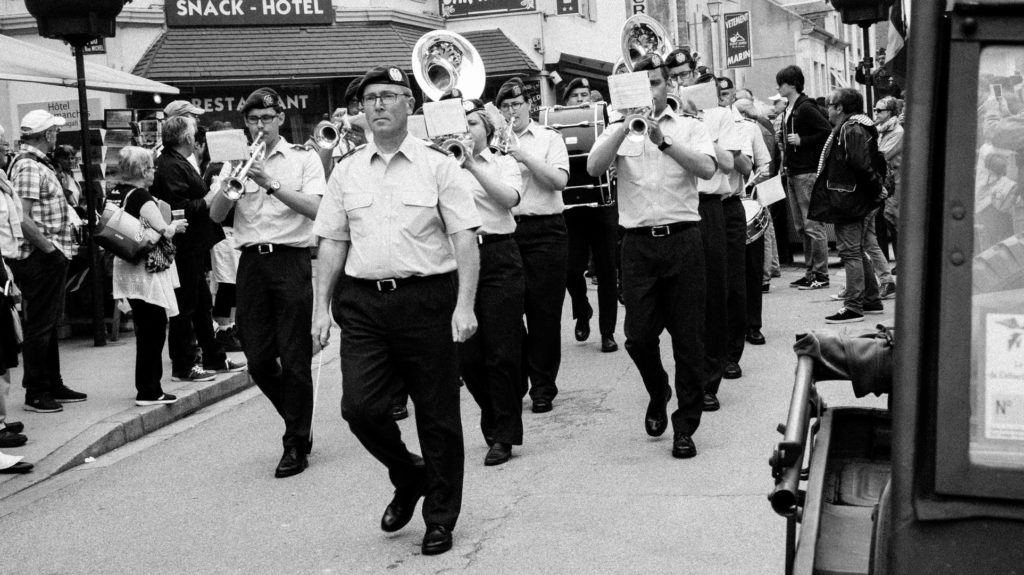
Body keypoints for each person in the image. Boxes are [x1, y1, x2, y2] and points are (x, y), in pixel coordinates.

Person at [312, 66, 481, 556]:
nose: (379, 105)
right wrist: (320, 309)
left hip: (427, 299)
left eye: (389, 96)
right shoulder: (346, 171)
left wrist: (464, 306)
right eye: (370, 99)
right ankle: (410, 475)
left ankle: (440, 517)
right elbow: (332, 243)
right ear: (360, 111)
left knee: (437, 414)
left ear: (410, 104)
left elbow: (465, 239)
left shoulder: (438, 166)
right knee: (359, 408)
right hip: (363, 303)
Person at [588, 53, 716, 459]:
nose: (652, 92)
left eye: (657, 84)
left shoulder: (692, 127)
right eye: (643, 86)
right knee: (638, 337)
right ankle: (658, 387)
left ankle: (685, 425)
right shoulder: (619, 129)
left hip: (684, 240)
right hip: (638, 244)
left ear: (668, 86)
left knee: (688, 340)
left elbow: (708, 170)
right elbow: (593, 168)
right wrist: (623, 127)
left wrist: (664, 140)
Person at [208, 88, 325, 478]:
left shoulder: (303, 159)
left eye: (267, 119)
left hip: (291, 259)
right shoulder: (234, 161)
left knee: (294, 359)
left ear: (280, 120)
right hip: (250, 265)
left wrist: (270, 182)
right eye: (254, 120)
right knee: (258, 361)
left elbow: (317, 210)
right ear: (247, 122)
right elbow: (214, 215)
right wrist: (230, 183)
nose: (261, 126)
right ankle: (299, 422)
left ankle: (294, 443)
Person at [456, 98, 525, 466]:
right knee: (468, 357)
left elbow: (508, 199)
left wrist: (470, 164)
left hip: (498, 254)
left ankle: (504, 433)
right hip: (457, 258)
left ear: (487, 129)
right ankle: (496, 414)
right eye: (460, 124)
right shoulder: (441, 166)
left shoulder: (504, 163)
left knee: (501, 351)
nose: (466, 130)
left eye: (472, 124)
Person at [496, 77, 570, 413]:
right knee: (508, 315)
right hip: (507, 232)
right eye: (506, 107)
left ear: (529, 106)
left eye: (517, 105)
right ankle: (519, 378)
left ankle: (543, 386)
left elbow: (559, 181)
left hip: (545, 230)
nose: (512, 111)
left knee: (544, 313)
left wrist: (523, 156)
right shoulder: (493, 144)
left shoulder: (548, 138)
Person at [151, 116, 245, 382]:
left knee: (202, 304)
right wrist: (207, 198)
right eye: (194, 134)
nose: (197, 138)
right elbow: (177, 209)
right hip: (185, 246)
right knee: (185, 306)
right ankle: (183, 364)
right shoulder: (170, 165)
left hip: (195, 245)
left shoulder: (178, 162)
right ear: (186, 138)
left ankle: (214, 356)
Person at [7, 110, 86, 413]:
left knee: (49, 322)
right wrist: (49, 249)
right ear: (46, 134)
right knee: (41, 324)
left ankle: (52, 382)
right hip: (42, 256)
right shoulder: (28, 165)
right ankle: (37, 391)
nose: (57, 136)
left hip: (49, 253)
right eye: (54, 131)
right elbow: (22, 215)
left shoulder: (36, 163)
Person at [109, 147, 189, 406]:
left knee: (145, 328)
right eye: (151, 167)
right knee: (153, 329)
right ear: (142, 170)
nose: (154, 171)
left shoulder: (116, 192)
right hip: (145, 268)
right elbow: (163, 230)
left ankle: (147, 385)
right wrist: (176, 226)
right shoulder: (142, 196)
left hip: (124, 264)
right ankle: (149, 389)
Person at [811, 88, 886, 324]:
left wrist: (875, 191)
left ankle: (853, 305)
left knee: (850, 251)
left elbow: (860, 165)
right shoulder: (852, 127)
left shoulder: (850, 128)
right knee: (857, 248)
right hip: (854, 198)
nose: (827, 108)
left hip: (850, 200)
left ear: (840, 108)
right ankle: (871, 299)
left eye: (830, 104)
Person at [559, 77, 620, 353]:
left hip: (603, 206)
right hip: (571, 208)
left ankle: (607, 332)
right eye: (576, 95)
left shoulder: (606, 124)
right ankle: (582, 311)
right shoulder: (557, 126)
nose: (582, 99)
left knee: (607, 270)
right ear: (566, 101)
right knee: (572, 270)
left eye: (586, 94)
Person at [776, 65, 833, 290]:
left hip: (806, 171)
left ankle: (820, 273)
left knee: (812, 224)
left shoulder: (806, 107)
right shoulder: (790, 108)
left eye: (781, 83)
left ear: (792, 84)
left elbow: (826, 131)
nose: (778, 87)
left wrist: (802, 141)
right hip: (794, 170)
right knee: (802, 226)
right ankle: (812, 271)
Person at [0, 124, 27, 447]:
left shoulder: (4, 178)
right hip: (1, 269)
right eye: (3, 144)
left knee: (6, 351)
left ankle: (3, 418)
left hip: (6, 266)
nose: (8, 149)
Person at [874, 95, 903, 300]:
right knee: (887, 222)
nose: (876, 114)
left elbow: (882, 154)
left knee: (894, 221)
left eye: (880, 111)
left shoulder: (897, 132)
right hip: (888, 182)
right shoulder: (881, 130)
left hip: (897, 181)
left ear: (890, 113)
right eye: (876, 110)